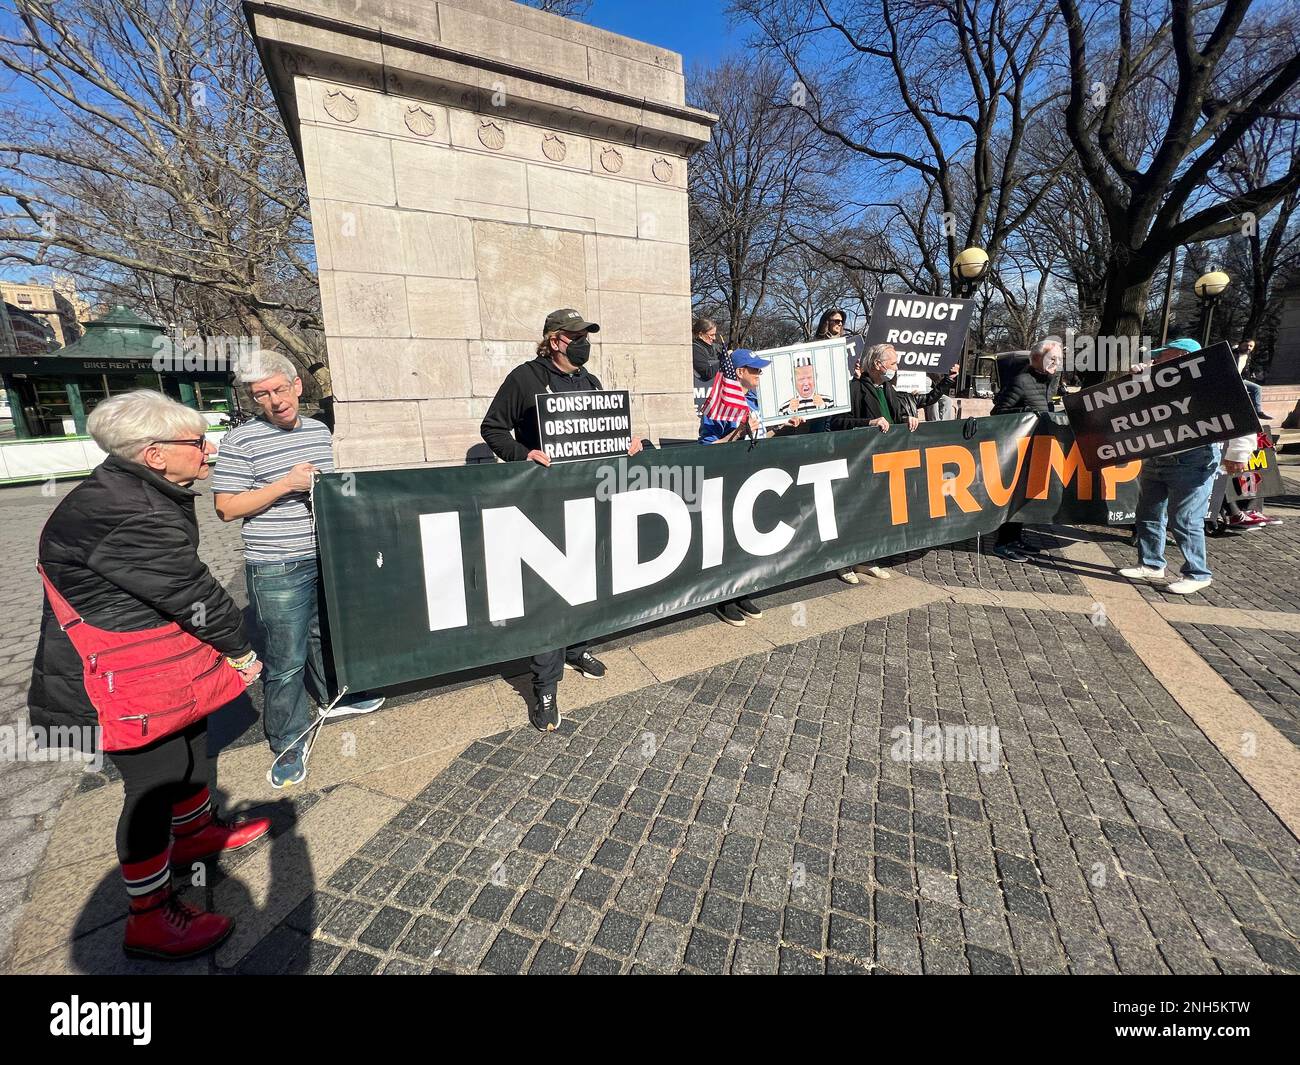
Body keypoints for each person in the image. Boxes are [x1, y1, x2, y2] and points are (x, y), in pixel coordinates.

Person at [29, 391, 269, 960]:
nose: (209, 449)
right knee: (152, 786)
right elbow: (191, 594)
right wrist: (240, 649)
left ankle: (194, 835)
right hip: (121, 676)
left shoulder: (135, 487)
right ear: (155, 454)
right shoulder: (126, 508)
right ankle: (150, 915)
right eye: (196, 442)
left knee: (189, 747)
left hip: (156, 659)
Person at [212, 351, 384, 790]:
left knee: (322, 632)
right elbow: (226, 508)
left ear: (297, 386)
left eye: (279, 389)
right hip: (276, 562)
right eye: (261, 395)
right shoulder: (241, 442)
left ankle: (330, 697)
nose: (273, 400)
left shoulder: (318, 429)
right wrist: (284, 484)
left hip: (324, 552)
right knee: (285, 658)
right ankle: (287, 740)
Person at [480, 308, 642, 732]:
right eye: (577, 336)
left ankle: (578, 646)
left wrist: (625, 446)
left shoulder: (591, 383)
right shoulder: (525, 378)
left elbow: (603, 438)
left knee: (585, 582)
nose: (584, 342)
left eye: (587, 334)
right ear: (555, 340)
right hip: (543, 506)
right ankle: (545, 684)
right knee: (549, 596)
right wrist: (524, 455)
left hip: (587, 502)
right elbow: (493, 429)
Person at [1118, 338, 1255, 595]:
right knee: (1148, 513)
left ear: (1183, 357)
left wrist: (1238, 454)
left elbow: (1241, 416)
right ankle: (1150, 563)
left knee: (1185, 518)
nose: (1157, 360)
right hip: (1156, 458)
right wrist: (1135, 380)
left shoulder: (1214, 383)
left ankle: (1198, 573)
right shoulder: (1155, 382)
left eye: (1164, 356)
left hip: (1194, 461)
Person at [828, 342, 957, 581]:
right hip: (861, 461)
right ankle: (844, 561)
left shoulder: (888, 387)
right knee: (855, 513)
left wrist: (907, 418)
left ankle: (865, 559)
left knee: (875, 513)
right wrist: (868, 423)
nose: (896, 367)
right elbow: (836, 423)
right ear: (878, 364)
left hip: (886, 460)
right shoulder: (854, 388)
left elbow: (896, 415)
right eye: (893, 362)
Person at [698, 349, 803, 624]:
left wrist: (781, 427)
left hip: (751, 477)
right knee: (728, 541)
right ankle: (724, 597)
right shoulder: (719, 403)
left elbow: (758, 437)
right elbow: (707, 448)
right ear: (739, 372)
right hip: (726, 480)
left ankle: (741, 591)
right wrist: (738, 432)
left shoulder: (753, 401)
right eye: (754, 369)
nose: (759, 373)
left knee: (747, 538)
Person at [987, 338, 1062, 563]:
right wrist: (1025, 412)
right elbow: (998, 413)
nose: (1056, 364)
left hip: (1036, 448)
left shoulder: (1049, 381)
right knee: (1014, 497)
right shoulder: (1020, 381)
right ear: (1037, 359)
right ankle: (1003, 543)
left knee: (1026, 498)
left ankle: (1015, 538)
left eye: (1059, 359)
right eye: (1052, 359)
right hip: (1017, 450)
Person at [1236, 339, 1269, 420]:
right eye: (1246, 345)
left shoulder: (1248, 356)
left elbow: (1245, 370)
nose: (1248, 348)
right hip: (1231, 379)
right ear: (1240, 345)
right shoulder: (1232, 353)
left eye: (1251, 346)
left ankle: (1258, 412)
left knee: (1257, 388)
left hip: (1241, 379)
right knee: (1244, 389)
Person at [692, 317, 720, 382]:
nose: (714, 338)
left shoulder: (715, 348)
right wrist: (724, 361)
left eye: (714, 334)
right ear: (700, 335)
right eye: (711, 335)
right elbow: (707, 373)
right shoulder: (695, 349)